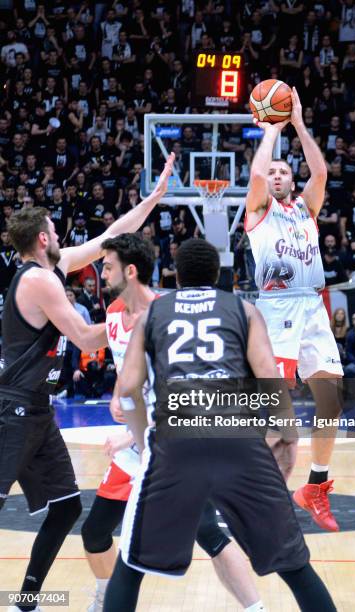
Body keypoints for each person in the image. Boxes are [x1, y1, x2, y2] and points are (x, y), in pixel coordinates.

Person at [103, 238, 336, 612]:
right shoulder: (243, 310)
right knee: (295, 565)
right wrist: (287, 441)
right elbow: (268, 379)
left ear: (175, 276)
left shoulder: (152, 316)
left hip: (175, 443)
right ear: (218, 275)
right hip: (238, 441)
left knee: (130, 566)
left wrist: (144, 440)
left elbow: (128, 389)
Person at [0, 154, 175, 612]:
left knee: (67, 508)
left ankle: (26, 600)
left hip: (39, 408)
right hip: (12, 407)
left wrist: (153, 199)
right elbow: (83, 336)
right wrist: (129, 316)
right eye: (55, 231)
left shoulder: (53, 267)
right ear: (43, 239)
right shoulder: (39, 280)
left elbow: (108, 238)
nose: (61, 236)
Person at [81, 233, 268, 612]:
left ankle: (255, 607)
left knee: (207, 532)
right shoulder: (115, 312)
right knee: (95, 530)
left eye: (108, 265)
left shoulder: (169, 310)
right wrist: (121, 395)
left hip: (169, 439)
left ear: (130, 271)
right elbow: (126, 365)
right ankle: (104, 596)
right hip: (138, 439)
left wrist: (138, 432)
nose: (102, 271)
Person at [245, 87, 343, 532]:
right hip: (277, 308)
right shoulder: (259, 212)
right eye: (275, 172)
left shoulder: (305, 209)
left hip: (312, 306)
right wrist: (270, 130)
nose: (279, 175)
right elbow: (255, 177)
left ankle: (314, 487)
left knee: (331, 397)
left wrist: (299, 125)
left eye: (286, 171)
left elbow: (320, 172)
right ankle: (254, 493)